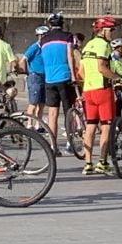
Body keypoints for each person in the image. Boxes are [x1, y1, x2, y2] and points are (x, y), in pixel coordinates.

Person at [80, 16, 119, 175]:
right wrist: (117, 78)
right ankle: (102, 162)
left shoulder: (88, 45)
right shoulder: (104, 45)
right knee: (106, 127)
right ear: (102, 30)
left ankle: (88, 163)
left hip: (88, 91)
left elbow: (81, 72)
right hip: (103, 90)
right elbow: (102, 67)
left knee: (90, 126)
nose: (112, 33)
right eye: (110, 30)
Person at [39, 13, 77, 155]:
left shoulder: (44, 40)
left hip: (49, 78)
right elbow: (70, 56)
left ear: (50, 24)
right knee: (69, 112)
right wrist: (73, 75)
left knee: (52, 113)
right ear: (63, 24)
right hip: (65, 76)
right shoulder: (68, 37)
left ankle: (53, 146)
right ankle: (69, 142)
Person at [23, 25, 48, 121]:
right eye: (41, 35)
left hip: (44, 77)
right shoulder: (35, 47)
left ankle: (38, 123)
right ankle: (29, 124)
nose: (43, 37)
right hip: (35, 76)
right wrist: (26, 72)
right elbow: (24, 59)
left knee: (41, 104)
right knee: (33, 103)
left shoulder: (46, 48)